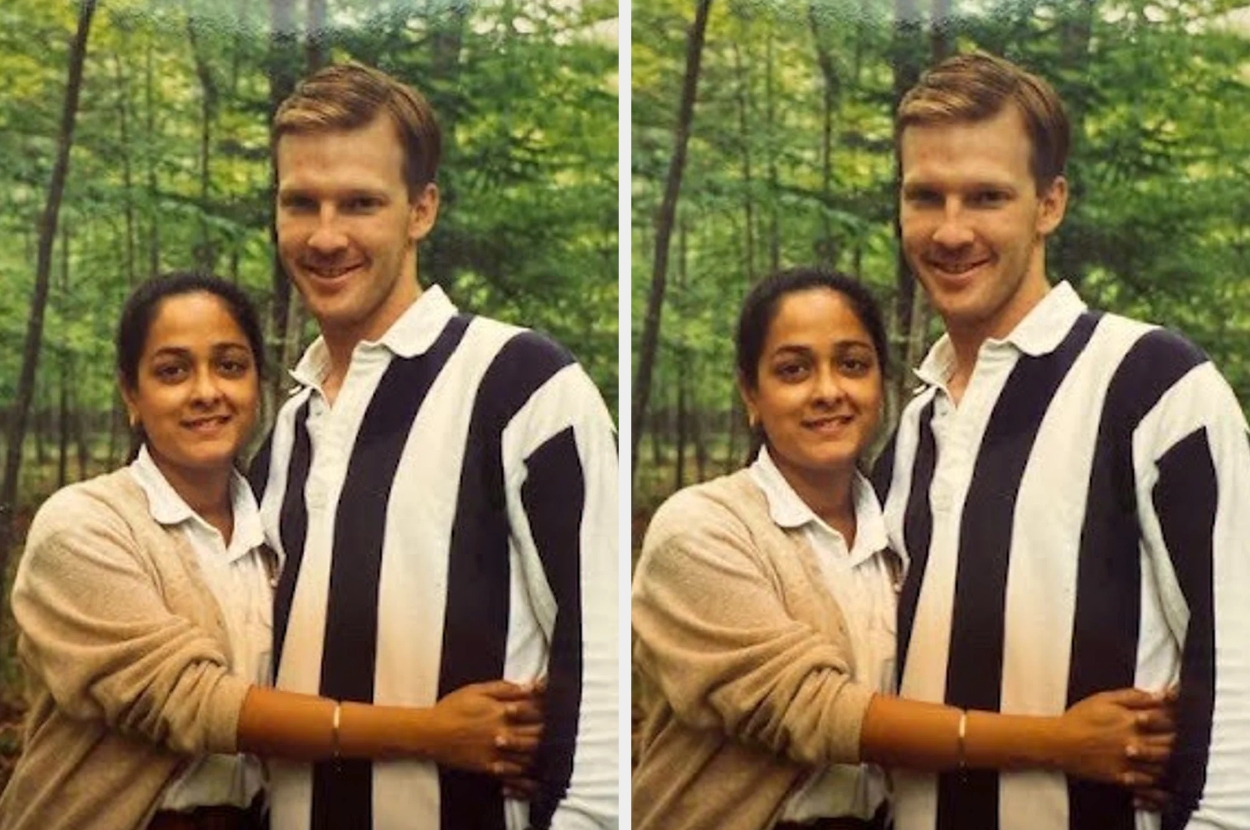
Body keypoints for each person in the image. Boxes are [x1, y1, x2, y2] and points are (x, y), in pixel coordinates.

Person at [631, 266, 1175, 830]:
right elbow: (810, 709)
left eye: (852, 364)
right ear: (752, 394)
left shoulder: (903, 523)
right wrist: (1059, 743)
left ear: (882, 385)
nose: (828, 391)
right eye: (793, 370)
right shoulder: (702, 530)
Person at [0, 273, 543, 830]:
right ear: (131, 395)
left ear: (258, 383)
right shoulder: (84, 527)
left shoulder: (282, 527)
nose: (206, 391)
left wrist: (507, 733)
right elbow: (189, 700)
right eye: (172, 371)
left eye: (230, 365)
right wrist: (433, 732)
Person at [872, 52, 1250, 830]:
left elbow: (1238, 658)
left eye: (986, 197)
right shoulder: (909, 429)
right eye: (925, 197)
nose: (950, 230)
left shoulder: (1153, 385)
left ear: (1050, 204)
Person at [248, 63, 618, 830]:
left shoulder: (521, 384)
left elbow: (602, 643)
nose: (324, 235)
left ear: (422, 210)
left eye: (360, 203)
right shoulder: (287, 429)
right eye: (300, 204)